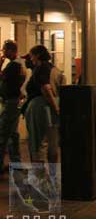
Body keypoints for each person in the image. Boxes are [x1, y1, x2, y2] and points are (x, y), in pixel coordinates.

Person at [22, 45, 60, 164]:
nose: (30, 59)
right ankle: (54, 177)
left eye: (31, 55)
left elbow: (46, 88)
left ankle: (40, 179)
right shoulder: (53, 68)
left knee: (38, 143)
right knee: (53, 143)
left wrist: (55, 108)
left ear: (37, 55)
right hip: (51, 107)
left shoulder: (40, 68)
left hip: (40, 107)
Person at [0, 40, 26, 175]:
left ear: (10, 50)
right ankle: (16, 162)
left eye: (4, 50)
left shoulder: (13, 66)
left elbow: (1, 78)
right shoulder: (20, 64)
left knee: (3, 132)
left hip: (10, 102)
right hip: (15, 100)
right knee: (13, 134)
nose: (3, 52)